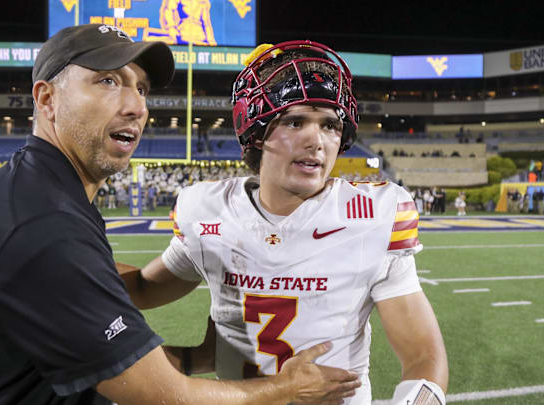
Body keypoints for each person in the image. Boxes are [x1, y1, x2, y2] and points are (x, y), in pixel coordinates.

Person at [0, 25, 356, 405]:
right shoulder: (43, 224)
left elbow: (121, 316)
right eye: (108, 81)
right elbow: (163, 395)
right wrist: (288, 388)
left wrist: (207, 331)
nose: (137, 106)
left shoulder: (45, 189)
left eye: (141, 87)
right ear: (47, 99)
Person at [123, 41, 448, 405]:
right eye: (295, 121)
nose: (317, 141)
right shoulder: (208, 211)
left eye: (329, 125)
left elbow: (423, 356)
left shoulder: (371, 216)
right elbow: (143, 289)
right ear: (255, 131)